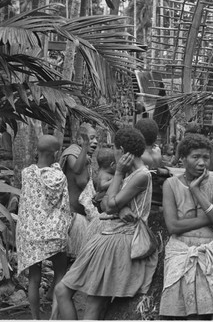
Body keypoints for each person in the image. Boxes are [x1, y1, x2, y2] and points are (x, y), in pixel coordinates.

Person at [55, 127, 158, 320]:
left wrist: (118, 174)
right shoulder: (131, 173)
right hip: (107, 238)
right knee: (62, 291)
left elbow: (109, 205)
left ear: (121, 149)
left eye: (115, 148)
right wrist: (120, 206)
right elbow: (101, 201)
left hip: (119, 241)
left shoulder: (141, 175)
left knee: (93, 308)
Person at [159, 133, 213, 319]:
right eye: (195, 157)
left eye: (205, 157)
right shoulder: (170, 185)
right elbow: (173, 226)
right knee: (189, 313)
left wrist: (196, 190)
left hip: (211, 249)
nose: (202, 163)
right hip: (180, 250)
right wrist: (211, 218)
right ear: (183, 159)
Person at [16, 135, 71, 319]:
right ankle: (54, 318)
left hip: (32, 235)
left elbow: (26, 204)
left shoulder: (26, 174)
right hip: (55, 234)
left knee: (34, 279)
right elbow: (63, 207)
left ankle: (35, 319)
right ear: (55, 153)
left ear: (37, 151)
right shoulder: (59, 177)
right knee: (60, 274)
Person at [59, 123, 100, 257]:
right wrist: (84, 148)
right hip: (72, 216)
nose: (95, 142)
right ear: (79, 140)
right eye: (91, 138)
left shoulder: (86, 160)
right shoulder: (72, 152)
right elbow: (76, 170)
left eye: (96, 139)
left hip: (84, 217)